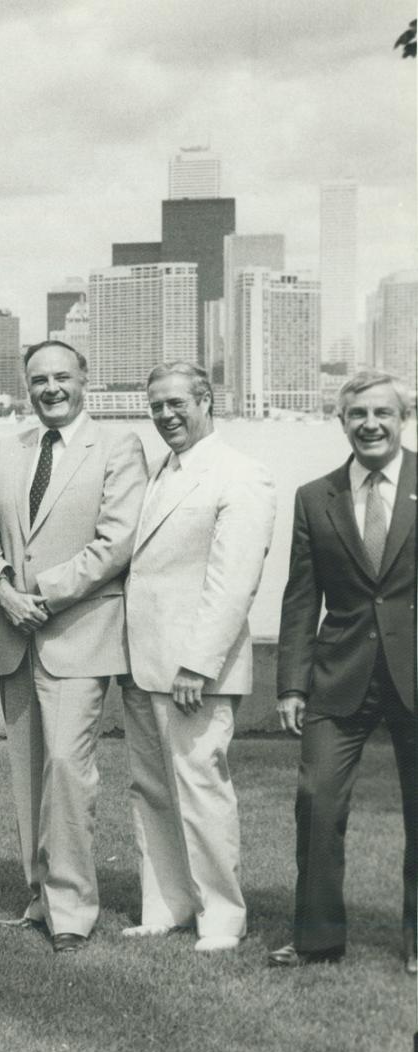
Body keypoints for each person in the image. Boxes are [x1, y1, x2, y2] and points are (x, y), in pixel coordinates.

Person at [0, 340, 147, 953]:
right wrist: (2, 589)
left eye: (62, 377)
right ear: (27, 386)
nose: (51, 389)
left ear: (84, 380)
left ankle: (72, 908)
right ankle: (38, 894)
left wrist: (38, 592)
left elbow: (116, 543)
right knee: (27, 775)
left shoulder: (119, 447)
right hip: (15, 635)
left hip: (79, 635)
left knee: (69, 770)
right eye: (39, 380)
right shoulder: (9, 449)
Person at [120, 362, 275, 953]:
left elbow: (233, 581)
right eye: (155, 405)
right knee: (151, 790)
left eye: (176, 403)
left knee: (201, 788)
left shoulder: (241, 474)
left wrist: (198, 664)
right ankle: (166, 905)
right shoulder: (161, 471)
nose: (164, 415)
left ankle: (222, 917)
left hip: (192, 672)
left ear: (207, 400)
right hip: (142, 663)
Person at [268, 370, 416, 973]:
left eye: (383, 412)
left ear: (402, 418)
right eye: (358, 414)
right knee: (317, 800)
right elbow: (301, 597)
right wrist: (292, 684)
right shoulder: (314, 496)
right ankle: (318, 940)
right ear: (342, 422)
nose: (371, 424)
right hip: (339, 673)